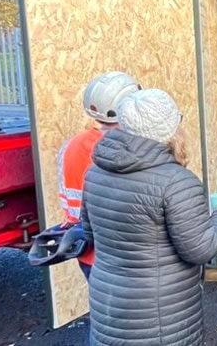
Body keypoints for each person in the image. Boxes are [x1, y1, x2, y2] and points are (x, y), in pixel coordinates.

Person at [81, 88, 217, 346]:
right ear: (170, 129)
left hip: (108, 305)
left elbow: (89, 234)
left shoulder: (95, 172)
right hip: (161, 316)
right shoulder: (176, 182)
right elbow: (200, 250)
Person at [56, 71, 142, 280]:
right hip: (121, 259)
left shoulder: (71, 146)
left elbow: (70, 203)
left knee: (104, 310)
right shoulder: (122, 151)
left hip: (87, 255)